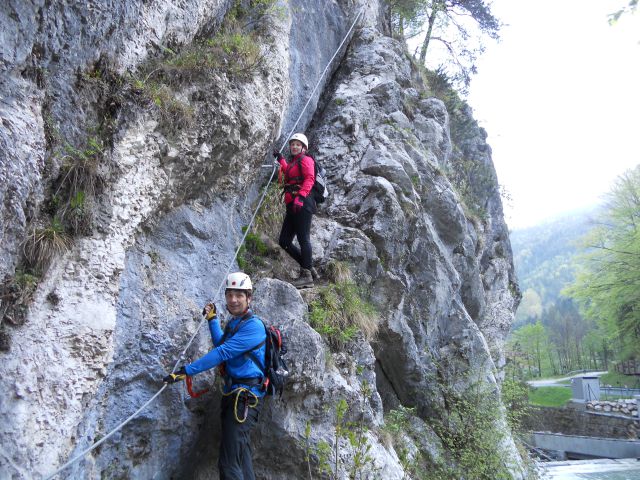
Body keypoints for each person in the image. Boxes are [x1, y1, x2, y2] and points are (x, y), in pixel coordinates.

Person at [163, 272, 266, 480]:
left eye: (239, 295)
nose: (234, 300)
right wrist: (212, 320)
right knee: (240, 457)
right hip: (235, 395)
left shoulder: (254, 326)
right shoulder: (235, 323)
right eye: (230, 295)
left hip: (244, 400)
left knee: (228, 465)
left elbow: (223, 353)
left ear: (249, 298)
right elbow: (222, 345)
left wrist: (187, 371)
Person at [274, 132, 318, 289]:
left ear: (303, 148)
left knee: (303, 238)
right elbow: (289, 172)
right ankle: (308, 267)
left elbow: (309, 179)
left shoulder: (306, 160)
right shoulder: (293, 163)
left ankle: (306, 276)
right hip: (292, 204)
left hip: (302, 203)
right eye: (292, 144)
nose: (294, 146)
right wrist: (281, 159)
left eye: (298, 145)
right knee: (284, 241)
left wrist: (300, 197)